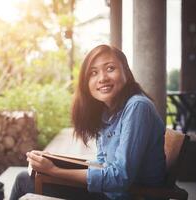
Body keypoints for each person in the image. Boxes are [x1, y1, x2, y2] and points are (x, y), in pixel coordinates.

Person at [10, 44, 166, 200]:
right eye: (93, 73)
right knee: (23, 179)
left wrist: (54, 171)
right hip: (110, 193)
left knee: (25, 184)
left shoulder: (137, 106)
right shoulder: (108, 112)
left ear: (126, 71)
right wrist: (54, 161)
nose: (102, 78)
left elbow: (119, 178)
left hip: (130, 196)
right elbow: (102, 163)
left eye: (110, 68)